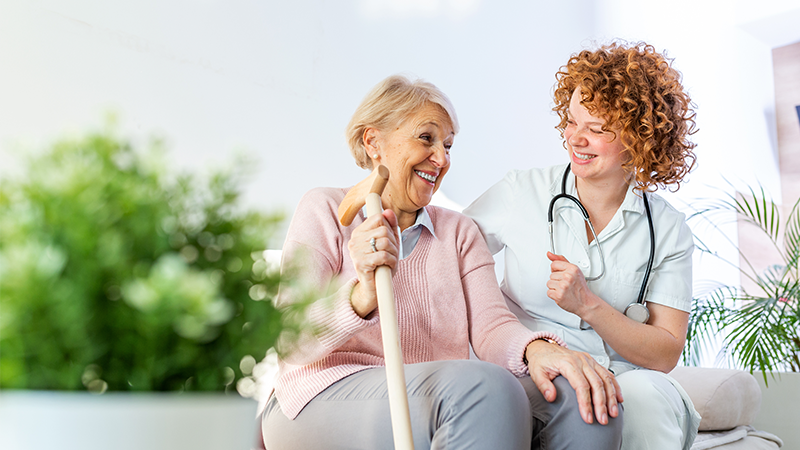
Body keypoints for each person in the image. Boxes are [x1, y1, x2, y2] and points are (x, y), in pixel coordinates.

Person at [262, 74, 623, 449]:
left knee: (586, 399)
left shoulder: (458, 232)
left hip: (433, 390)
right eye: (426, 138)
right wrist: (363, 294)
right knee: (485, 388)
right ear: (374, 142)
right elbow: (289, 339)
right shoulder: (324, 209)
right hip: (320, 395)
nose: (441, 159)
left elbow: (492, 327)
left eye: (448, 145)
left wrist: (539, 349)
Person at [464, 41, 702, 450]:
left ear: (640, 137)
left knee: (646, 399)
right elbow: (449, 255)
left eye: (597, 129)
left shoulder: (667, 228)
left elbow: (664, 352)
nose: (576, 139)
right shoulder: (522, 192)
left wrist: (587, 305)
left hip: (625, 376)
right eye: (572, 122)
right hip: (530, 367)